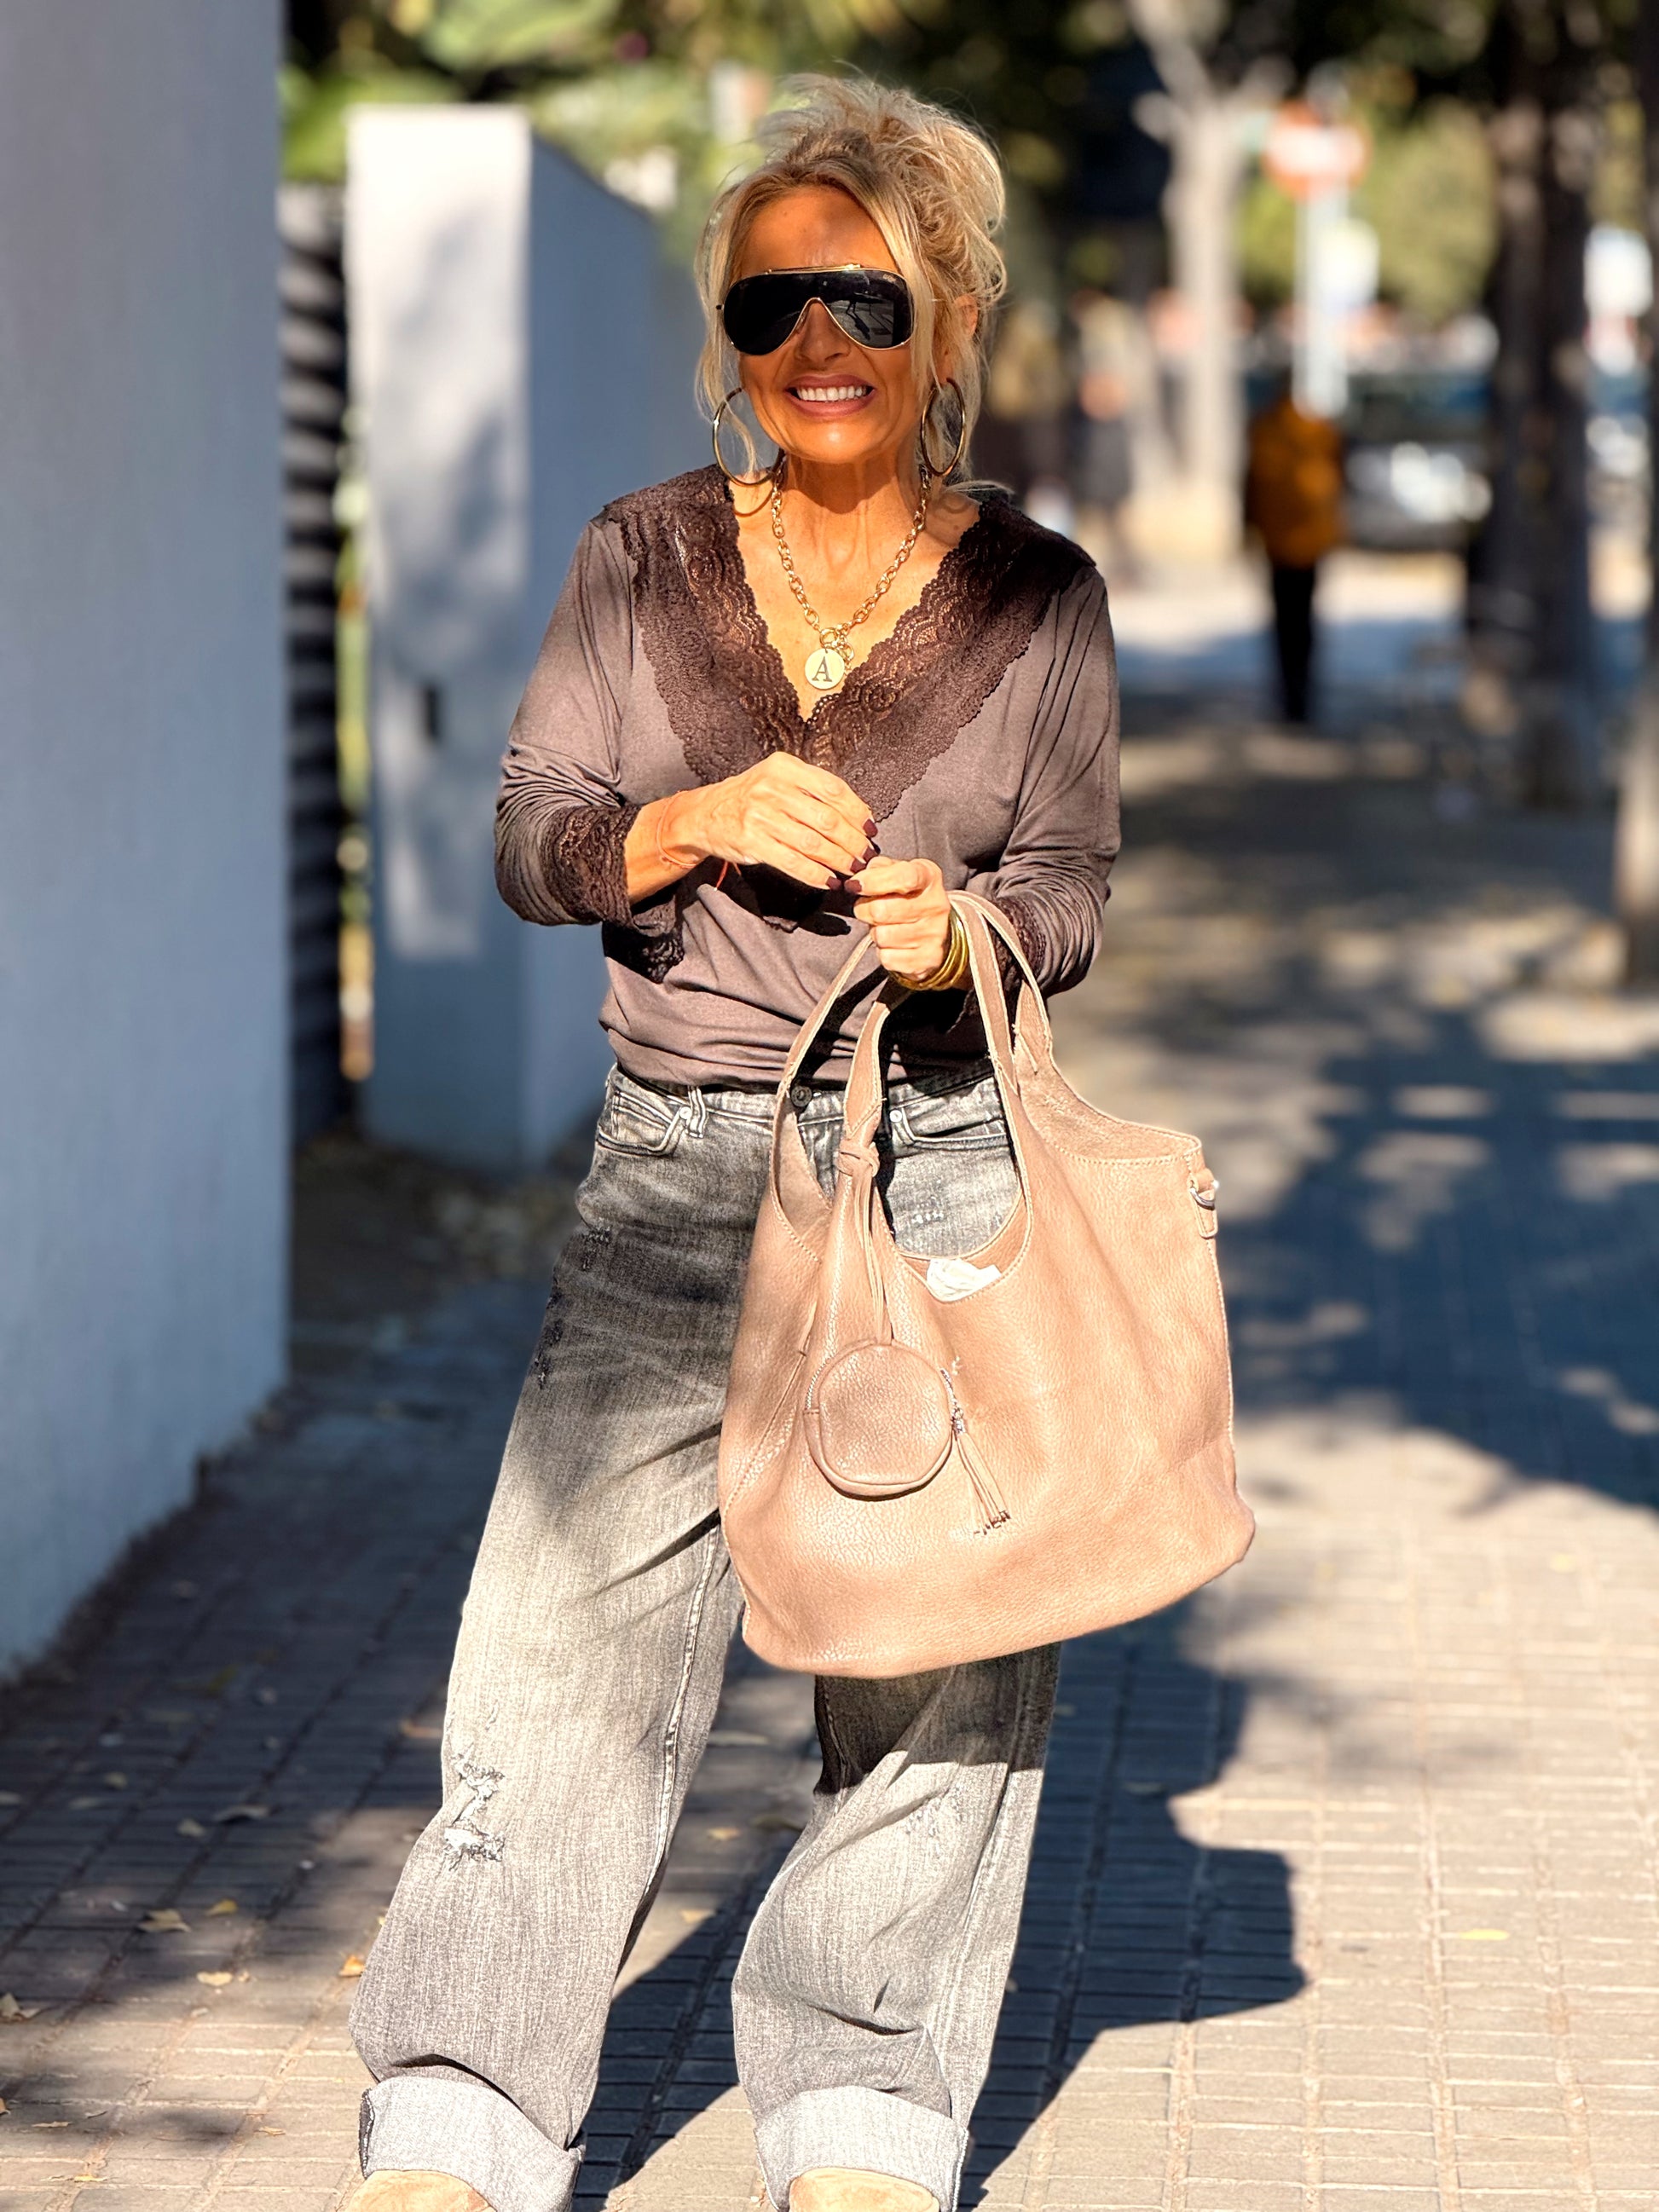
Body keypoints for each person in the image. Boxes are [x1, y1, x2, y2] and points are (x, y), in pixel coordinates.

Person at [349, 76, 1119, 2212]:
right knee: (560, 1659)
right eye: (773, 303)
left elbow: (1070, 884)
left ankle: (864, 2115)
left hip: (938, 1166)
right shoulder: (642, 553)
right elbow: (530, 835)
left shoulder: (1042, 597)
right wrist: (683, 820)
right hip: (677, 1171)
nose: (818, 340)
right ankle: (458, 2117)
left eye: (865, 294)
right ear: (732, 334)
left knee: (938, 1663)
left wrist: (966, 936)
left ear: (949, 321)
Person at [1243, 377, 1344, 725]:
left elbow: (1249, 485)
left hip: (1277, 541)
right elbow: (1337, 482)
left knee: (1284, 624)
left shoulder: (1264, 431)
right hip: (1311, 542)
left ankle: (1288, 695)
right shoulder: (1320, 431)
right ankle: (1304, 695)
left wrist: (1248, 529)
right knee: (1306, 622)